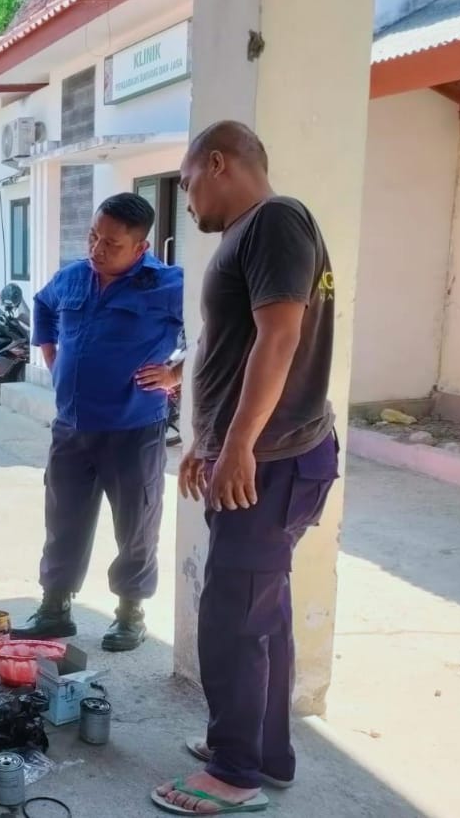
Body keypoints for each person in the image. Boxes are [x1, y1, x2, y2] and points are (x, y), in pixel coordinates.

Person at [151, 121, 340, 815]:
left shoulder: (275, 220)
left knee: (234, 614)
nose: (187, 195)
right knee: (263, 610)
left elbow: (282, 334)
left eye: (187, 178)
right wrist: (207, 433)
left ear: (219, 162)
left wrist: (237, 446)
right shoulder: (256, 232)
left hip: (273, 462)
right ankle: (261, 751)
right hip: (274, 455)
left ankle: (234, 773)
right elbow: (237, 343)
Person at [15, 192, 184, 652]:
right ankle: (55, 609)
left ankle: (130, 613)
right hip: (71, 428)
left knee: (135, 524)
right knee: (63, 518)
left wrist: (177, 372)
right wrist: (51, 356)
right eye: (93, 236)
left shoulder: (169, 285)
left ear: (140, 248)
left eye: (110, 243)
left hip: (134, 429)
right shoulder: (72, 277)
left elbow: (224, 330)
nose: (96, 249)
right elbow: (44, 305)